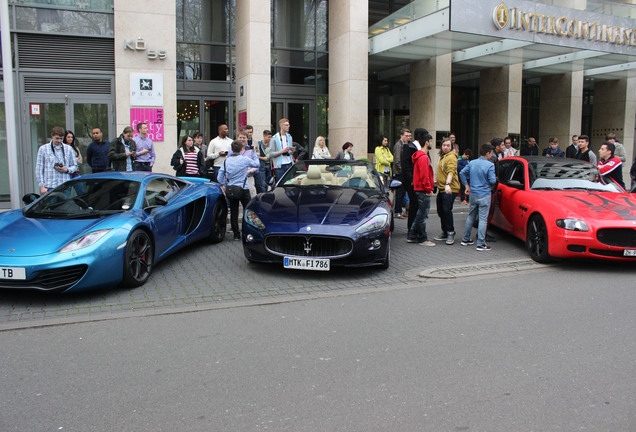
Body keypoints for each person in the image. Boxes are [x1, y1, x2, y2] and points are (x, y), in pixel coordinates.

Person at [217, 139, 259, 240]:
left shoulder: (226, 161)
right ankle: (247, 231)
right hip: (243, 188)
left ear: (232, 149)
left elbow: (219, 177)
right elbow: (257, 164)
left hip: (231, 189)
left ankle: (236, 234)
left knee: (234, 212)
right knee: (248, 210)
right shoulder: (244, 159)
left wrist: (225, 184)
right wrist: (253, 153)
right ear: (241, 149)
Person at [460, 143, 497, 251]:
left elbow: (462, 173)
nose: (491, 156)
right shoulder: (490, 165)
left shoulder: (472, 163)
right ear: (488, 153)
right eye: (491, 153)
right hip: (484, 194)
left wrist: (466, 186)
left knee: (471, 216)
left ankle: (465, 239)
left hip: (473, 193)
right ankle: (481, 243)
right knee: (483, 219)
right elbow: (492, 181)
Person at [407, 132, 435, 246]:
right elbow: (424, 175)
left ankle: (412, 235)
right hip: (423, 190)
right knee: (423, 215)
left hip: (419, 188)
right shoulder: (423, 157)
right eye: (431, 141)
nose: (432, 143)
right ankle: (422, 238)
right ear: (427, 142)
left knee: (420, 213)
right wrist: (429, 189)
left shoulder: (420, 156)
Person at [35, 126, 78, 194]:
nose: (59, 141)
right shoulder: (43, 149)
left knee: (65, 205)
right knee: (50, 205)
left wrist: (66, 170)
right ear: (52, 136)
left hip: (64, 185)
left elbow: (75, 166)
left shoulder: (68, 149)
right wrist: (41, 186)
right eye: (57, 138)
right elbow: (39, 169)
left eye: (61, 139)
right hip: (49, 186)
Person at [433, 138, 460, 245]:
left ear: (451, 147)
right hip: (442, 188)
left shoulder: (451, 157)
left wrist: (448, 184)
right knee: (440, 210)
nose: (445, 147)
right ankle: (445, 231)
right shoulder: (443, 157)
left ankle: (450, 232)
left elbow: (451, 172)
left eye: (448, 145)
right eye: (444, 145)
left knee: (446, 210)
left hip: (450, 188)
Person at [402, 128, 428, 234]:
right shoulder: (409, 147)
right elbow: (406, 165)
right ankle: (412, 229)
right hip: (412, 182)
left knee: (418, 205)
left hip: (419, 181)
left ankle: (415, 228)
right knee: (415, 204)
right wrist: (412, 179)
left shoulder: (423, 149)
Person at [392, 128, 411, 219]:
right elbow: (397, 160)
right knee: (399, 193)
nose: (408, 138)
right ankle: (397, 211)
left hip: (403, 172)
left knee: (403, 193)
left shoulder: (406, 145)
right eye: (406, 136)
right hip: (399, 173)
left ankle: (400, 210)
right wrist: (402, 171)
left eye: (409, 136)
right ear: (401, 136)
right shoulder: (398, 145)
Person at [269, 118, 295, 182]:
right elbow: (270, 154)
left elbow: (290, 152)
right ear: (281, 125)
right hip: (279, 166)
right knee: (281, 184)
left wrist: (291, 151)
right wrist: (282, 151)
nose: (288, 127)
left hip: (289, 163)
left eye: (288, 125)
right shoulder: (274, 138)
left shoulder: (289, 136)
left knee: (290, 184)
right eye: (286, 125)